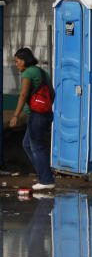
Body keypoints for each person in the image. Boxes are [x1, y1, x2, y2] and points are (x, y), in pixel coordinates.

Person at [9, 48, 55, 191]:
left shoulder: (28, 73)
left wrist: (15, 115)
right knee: (27, 144)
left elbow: (23, 95)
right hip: (45, 114)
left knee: (36, 146)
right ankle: (44, 174)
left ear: (24, 60)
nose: (17, 65)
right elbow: (52, 93)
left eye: (17, 62)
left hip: (36, 115)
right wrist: (45, 107)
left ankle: (46, 180)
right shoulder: (42, 72)